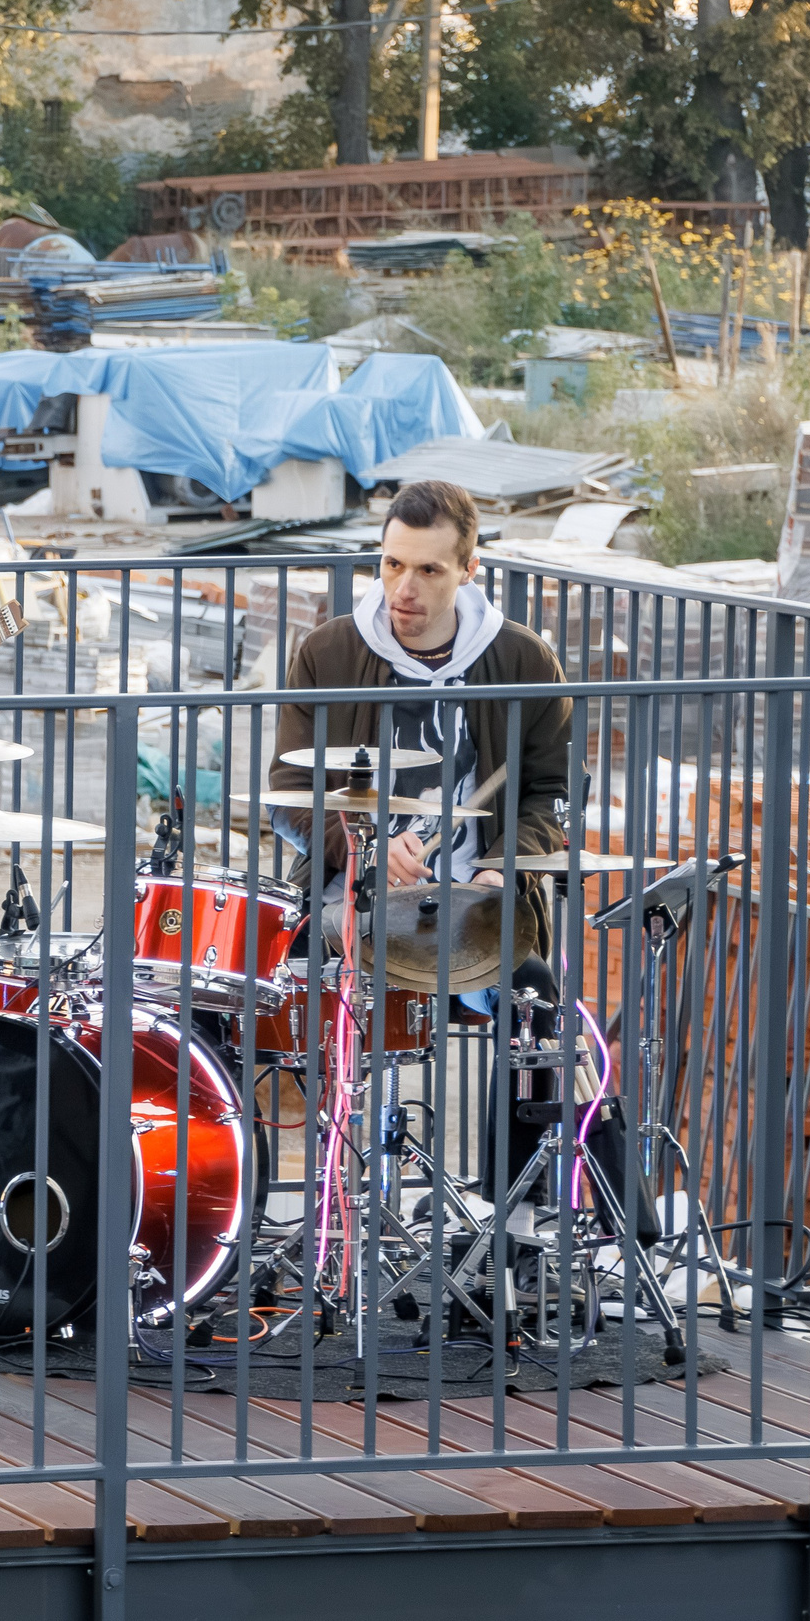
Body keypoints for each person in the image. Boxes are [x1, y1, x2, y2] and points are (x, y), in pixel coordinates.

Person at [265, 476, 574, 1197]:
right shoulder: (329, 653)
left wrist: (504, 866)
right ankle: (287, 1213)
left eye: (429, 569)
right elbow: (287, 795)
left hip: (478, 908)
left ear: (470, 570)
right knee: (246, 986)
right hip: (354, 903)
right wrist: (363, 849)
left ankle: (513, 1221)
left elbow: (550, 794)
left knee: (539, 1010)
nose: (404, 587)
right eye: (391, 564)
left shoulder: (523, 660)